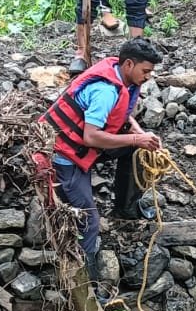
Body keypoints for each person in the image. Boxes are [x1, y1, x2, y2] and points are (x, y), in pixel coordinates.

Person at [40, 38, 164, 286]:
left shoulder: (125, 81)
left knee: (134, 151)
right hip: (64, 157)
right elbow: (91, 135)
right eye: (146, 71)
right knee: (89, 222)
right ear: (129, 64)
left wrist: (140, 137)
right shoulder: (105, 91)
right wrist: (136, 139)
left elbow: (125, 115)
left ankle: (126, 207)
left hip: (85, 149)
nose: (149, 76)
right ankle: (86, 284)